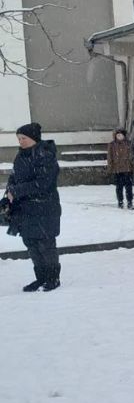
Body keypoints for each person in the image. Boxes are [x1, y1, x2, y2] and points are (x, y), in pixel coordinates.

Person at [6, 123, 61, 292]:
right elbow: (14, 176)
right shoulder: (21, 155)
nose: (21, 141)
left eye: (24, 138)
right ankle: (41, 278)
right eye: (19, 138)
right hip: (25, 209)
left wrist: (17, 190)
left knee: (45, 244)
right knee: (31, 244)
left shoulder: (45, 154)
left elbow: (43, 183)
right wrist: (9, 191)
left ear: (34, 138)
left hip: (44, 208)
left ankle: (53, 278)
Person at [106, 129, 134, 209]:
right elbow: (109, 157)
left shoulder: (129, 143)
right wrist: (110, 168)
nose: (119, 136)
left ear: (124, 135)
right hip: (117, 169)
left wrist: (133, 166)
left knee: (129, 187)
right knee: (119, 187)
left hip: (128, 168)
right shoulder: (112, 145)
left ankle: (130, 202)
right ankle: (120, 201)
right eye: (117, 135)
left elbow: (132, 155)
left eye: (121, 135)